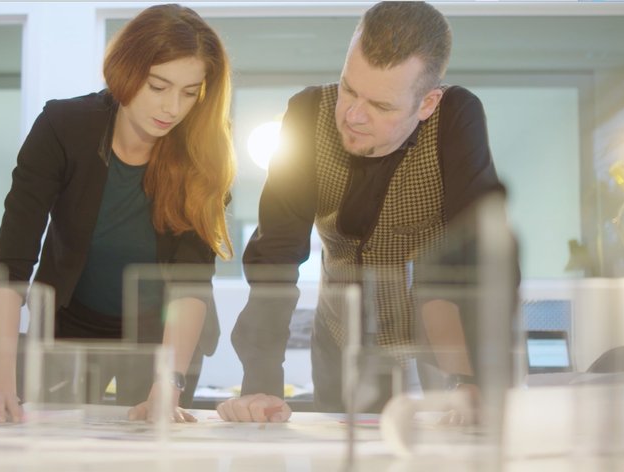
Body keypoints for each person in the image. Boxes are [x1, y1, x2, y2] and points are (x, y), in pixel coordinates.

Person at [218, 1, 510, 423]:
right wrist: (260, 383)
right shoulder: (306, 114)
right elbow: (276, 254)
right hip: (338, 339)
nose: (353, 116)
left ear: (426, 103)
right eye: (349, 89)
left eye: (382, 106)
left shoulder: (455, 117)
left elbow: (478, 250)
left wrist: (473, 375)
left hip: (433, 346)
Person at [0, 4, 234, 424]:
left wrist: (168, 384)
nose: (172, 108)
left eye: (189, 92)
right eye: (158, 85)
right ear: (126, 70)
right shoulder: (64, 127)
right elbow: (10, 264)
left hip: (162, 339)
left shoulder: (202, 155)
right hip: (69, 324)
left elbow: (191, 285)